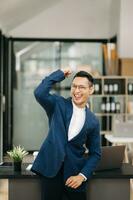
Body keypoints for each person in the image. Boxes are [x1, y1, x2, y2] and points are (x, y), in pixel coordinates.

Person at [31, 69, 101, 200]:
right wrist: (60, 74)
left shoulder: (93, 121)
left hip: (74, 174)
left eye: (81, 87)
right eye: (74, 86)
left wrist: (82, 176)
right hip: (50, 172)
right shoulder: (58, 104)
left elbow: (96, 153)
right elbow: (39, 93)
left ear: (91, 90)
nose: (76, 91)